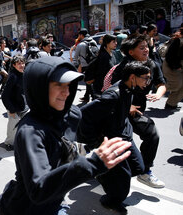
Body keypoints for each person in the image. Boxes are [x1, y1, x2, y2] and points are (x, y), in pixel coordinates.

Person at [0, 56, 132, 215]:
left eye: (69, 85)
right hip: (26, 209)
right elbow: (38, 189)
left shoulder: (71, 114)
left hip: (56, 199)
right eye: (58, 85)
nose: (66, 92)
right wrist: (92, 164)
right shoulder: (30, 131)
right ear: (39, 88)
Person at [78, 61, 155, 213]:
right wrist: (94, 140)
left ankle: (101, 171)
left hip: (125, 136)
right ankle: (111, 201)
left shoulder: (130, 88)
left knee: (138, 167)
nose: (148, 82)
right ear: (133, 77)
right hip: (112, 140)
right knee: (123, 181)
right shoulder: (113, 95)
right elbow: (84, 114)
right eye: (145, 78)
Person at [108, 35, 167, 189]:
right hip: (119, 111)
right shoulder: (125, 67)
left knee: (152, 135)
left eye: (147, 46)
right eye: (141, 47)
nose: (146, 49)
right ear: (131, 52)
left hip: (137, 112)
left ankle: (145, 171)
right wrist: (128, 106)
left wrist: (158, 94)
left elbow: (162, 84)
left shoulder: (152, 65)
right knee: (112, 142)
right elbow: (113, 90)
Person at [1, 55, 27, 151]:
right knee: (13, 126)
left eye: (23, 63)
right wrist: (11, 109)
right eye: (19, 63)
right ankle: (8, 143)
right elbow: (4, 96)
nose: (22, 65)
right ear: (14, 65)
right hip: (13, 106)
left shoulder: (23, 74)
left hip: (23, 105)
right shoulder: (13, 77)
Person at [73, 28, 98, 103]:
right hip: (93, 64)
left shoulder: (81, 44)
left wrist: (78, 64)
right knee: (90, 81)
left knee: (88, 82)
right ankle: (86, 96)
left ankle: (94, 97)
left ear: (81, 35)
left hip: (85, 66)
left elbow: (75, 57)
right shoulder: (93, 41)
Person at [162, 24, 183, 110]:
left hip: (178, 66)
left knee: (181, 86)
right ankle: (158, 88)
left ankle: (171, 104)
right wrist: (177, 66)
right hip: (171, 66)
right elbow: (170, 56)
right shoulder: (178, 41)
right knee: (176, 85)